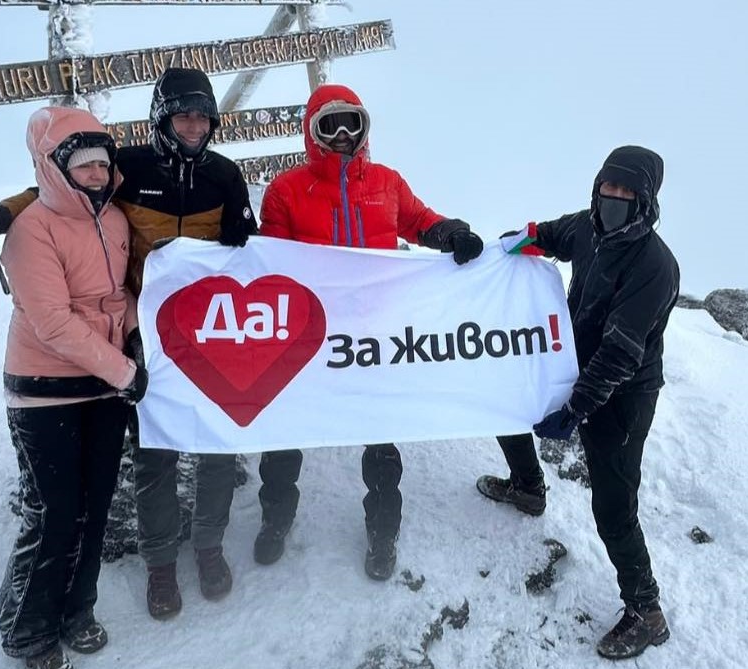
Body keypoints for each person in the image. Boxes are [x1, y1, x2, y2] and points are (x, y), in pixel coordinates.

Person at [0, 68, 257, 619]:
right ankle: (161, 564)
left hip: (210, 336)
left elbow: (255, 254)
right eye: (183, 114)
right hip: (146, 338)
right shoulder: (127, 168)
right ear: (162, 117)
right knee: (155, 454)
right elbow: (57, 187)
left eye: (203, 117)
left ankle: (209, 548)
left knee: (215, 449)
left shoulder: (226, 176)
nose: (194, 125)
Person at [257, 83, 485, 581]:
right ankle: (276, 516)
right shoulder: (286, 190)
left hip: (374, 333)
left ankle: (383, 529)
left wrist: (450, 234)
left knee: (380, 433)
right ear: (311, 132)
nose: (342, 135)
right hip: (309, 334)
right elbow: (272, 260)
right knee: (285, 429)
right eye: (329, 125)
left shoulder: (385, 181)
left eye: (351, 124)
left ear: (364, 129)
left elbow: (418, 220)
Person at [477, 146, 679, 660]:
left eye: (627, 192)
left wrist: (577, 408)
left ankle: (646, 610)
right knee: (511, 406)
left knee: (613, 504)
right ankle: (527, 487)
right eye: (608, 188)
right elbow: (543, 235)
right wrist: (498, 252)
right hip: (568, 359)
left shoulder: (656, 265)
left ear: (646, 200)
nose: (614, 198)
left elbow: (620, 352)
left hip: (624, 394)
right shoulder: (588, 228)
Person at [0, 106, 146, 669]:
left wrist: (131, 338)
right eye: (81, 165)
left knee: (97, 506)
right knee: (55, 512)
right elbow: (52, 323)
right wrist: (127, 372)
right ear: (53, 166)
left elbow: (119, 294)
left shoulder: (114, 220)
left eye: (101, 164)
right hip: (45, 389)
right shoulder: (31, 230)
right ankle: (28, 631)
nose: (96, 175)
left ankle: (78, 609)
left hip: (103, 387)